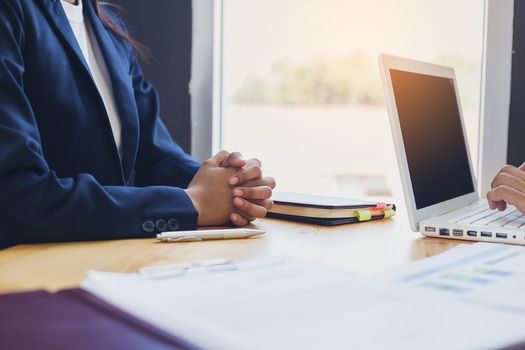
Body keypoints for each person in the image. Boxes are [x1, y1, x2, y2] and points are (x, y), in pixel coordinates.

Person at [0, 0, 275, 248]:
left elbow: (154, 154)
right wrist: (192, 202)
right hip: (28, 271)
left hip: (107, 260)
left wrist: (232, 187)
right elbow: (17, 193)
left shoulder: (108, 28)